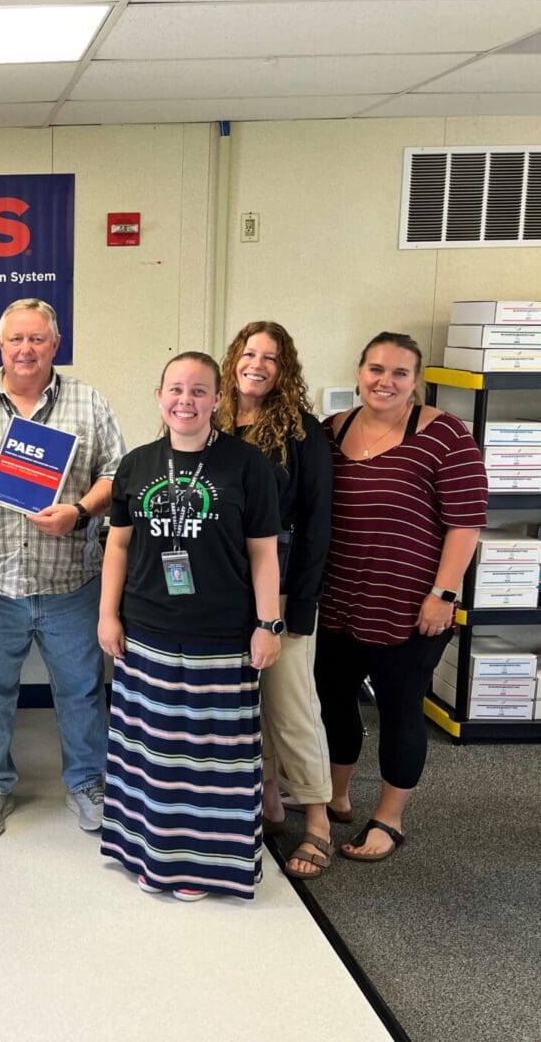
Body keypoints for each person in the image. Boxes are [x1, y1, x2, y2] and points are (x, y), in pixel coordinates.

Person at [0, 297, 125, 837]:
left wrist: (80, 510)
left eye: (37, 339)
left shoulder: (89, 405)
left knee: (82, 688)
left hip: (71, 580)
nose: (25, 349)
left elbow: (117, 476)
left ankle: (88, 784)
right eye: (15, 339)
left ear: (55, 345)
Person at [98, 351, 283, 902]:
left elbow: (265, 555)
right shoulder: (135, 464)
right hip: (147, 631)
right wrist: (108, 615)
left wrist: (267, 623)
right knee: (152, 753)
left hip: (223, 635)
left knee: (211, 758)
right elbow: (118, 546)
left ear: (218, 400)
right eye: (176, 389)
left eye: (199, 391)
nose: (186, 400)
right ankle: (150, 855)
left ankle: (205, 867)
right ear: (159, 396)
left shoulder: (249, 466)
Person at [317, 332, 486, 862]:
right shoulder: (332, 431)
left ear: (416, 381)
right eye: (375, 369)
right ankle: (337, 795)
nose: (384, 381)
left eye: (399, 373)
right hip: (339, 596)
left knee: (399, 708)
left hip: (411, 603)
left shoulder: (445, 435)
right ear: (359, 372)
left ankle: (388, 818)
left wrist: (443, 593)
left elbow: (466, 522)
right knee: (334, 701)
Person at [215, 321, 335, 880]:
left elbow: (317, 525)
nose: (257, 363)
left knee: (290, 705)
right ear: (233, 359)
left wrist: (303, 604)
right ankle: (267, 801)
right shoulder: (210, 423)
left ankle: (317, 817)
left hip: (283, 586)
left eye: (271, 356)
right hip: (223, 587)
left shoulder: (303, 434)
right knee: (242, 706)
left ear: (284, 369)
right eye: (249, 352)